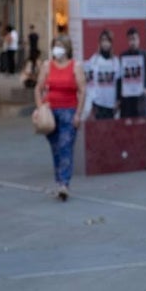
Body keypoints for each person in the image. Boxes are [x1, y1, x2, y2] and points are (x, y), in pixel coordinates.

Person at [34, 34, 86, 200]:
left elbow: (82, 90)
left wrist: (78, 113)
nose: (58, 49)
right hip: (51, 112)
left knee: (65, 146)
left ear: (68, 48)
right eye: (56, 45)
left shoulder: (75, 67)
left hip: (69, 111)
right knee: (56, 148)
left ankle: (64, 183)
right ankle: (60, 181)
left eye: (61, 46)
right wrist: (40, 107)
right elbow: (38, 88)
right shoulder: (47, 66)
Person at [84, 30, 120, 120]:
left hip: (111, 104)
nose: (105, 43)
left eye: (107, 41)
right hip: (98, 103)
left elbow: (119, 82)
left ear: (111, 43)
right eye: (103, 41)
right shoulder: (94, 59)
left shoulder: (115, 61)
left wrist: (118, 101)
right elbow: (89, 81)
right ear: (100, 43)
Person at [117, 27, 146, 119]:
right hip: (127, 95)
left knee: (139, 118)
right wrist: (119, 96)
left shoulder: (143, 55)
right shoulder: (123, 56)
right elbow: (120, 76)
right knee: (127, 118)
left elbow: (145, 73)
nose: (133, 42)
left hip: (140, 94)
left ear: (138, 40)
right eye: (130, 39)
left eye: (134, 39)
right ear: (127, 41)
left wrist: (145, 87)